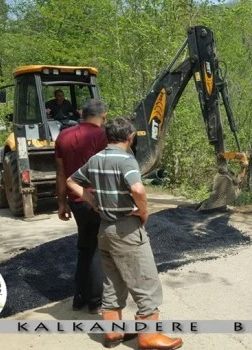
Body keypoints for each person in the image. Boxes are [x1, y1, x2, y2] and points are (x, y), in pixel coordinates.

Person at [66, 117, 183, 350]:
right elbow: (137, 188)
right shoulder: (127, 160)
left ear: (107, 137)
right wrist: (144, 211)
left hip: (105, 229)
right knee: (146, 282)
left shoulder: (95, 159)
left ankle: (113, 334)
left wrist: (94, 202)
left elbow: (71, 181)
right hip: (126, 229)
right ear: (130, 137)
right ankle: (149, 337)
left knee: (112, 282)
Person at [55, 99, 108, 314]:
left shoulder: (63, 136)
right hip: (97, 200)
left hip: (75, 200)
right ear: (103, 116)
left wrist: (61, 202)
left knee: (84, 247)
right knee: (97, 249)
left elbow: (60, 173)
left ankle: (79, 298)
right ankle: (95, 301)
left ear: (81, 113)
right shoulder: (102, 136)